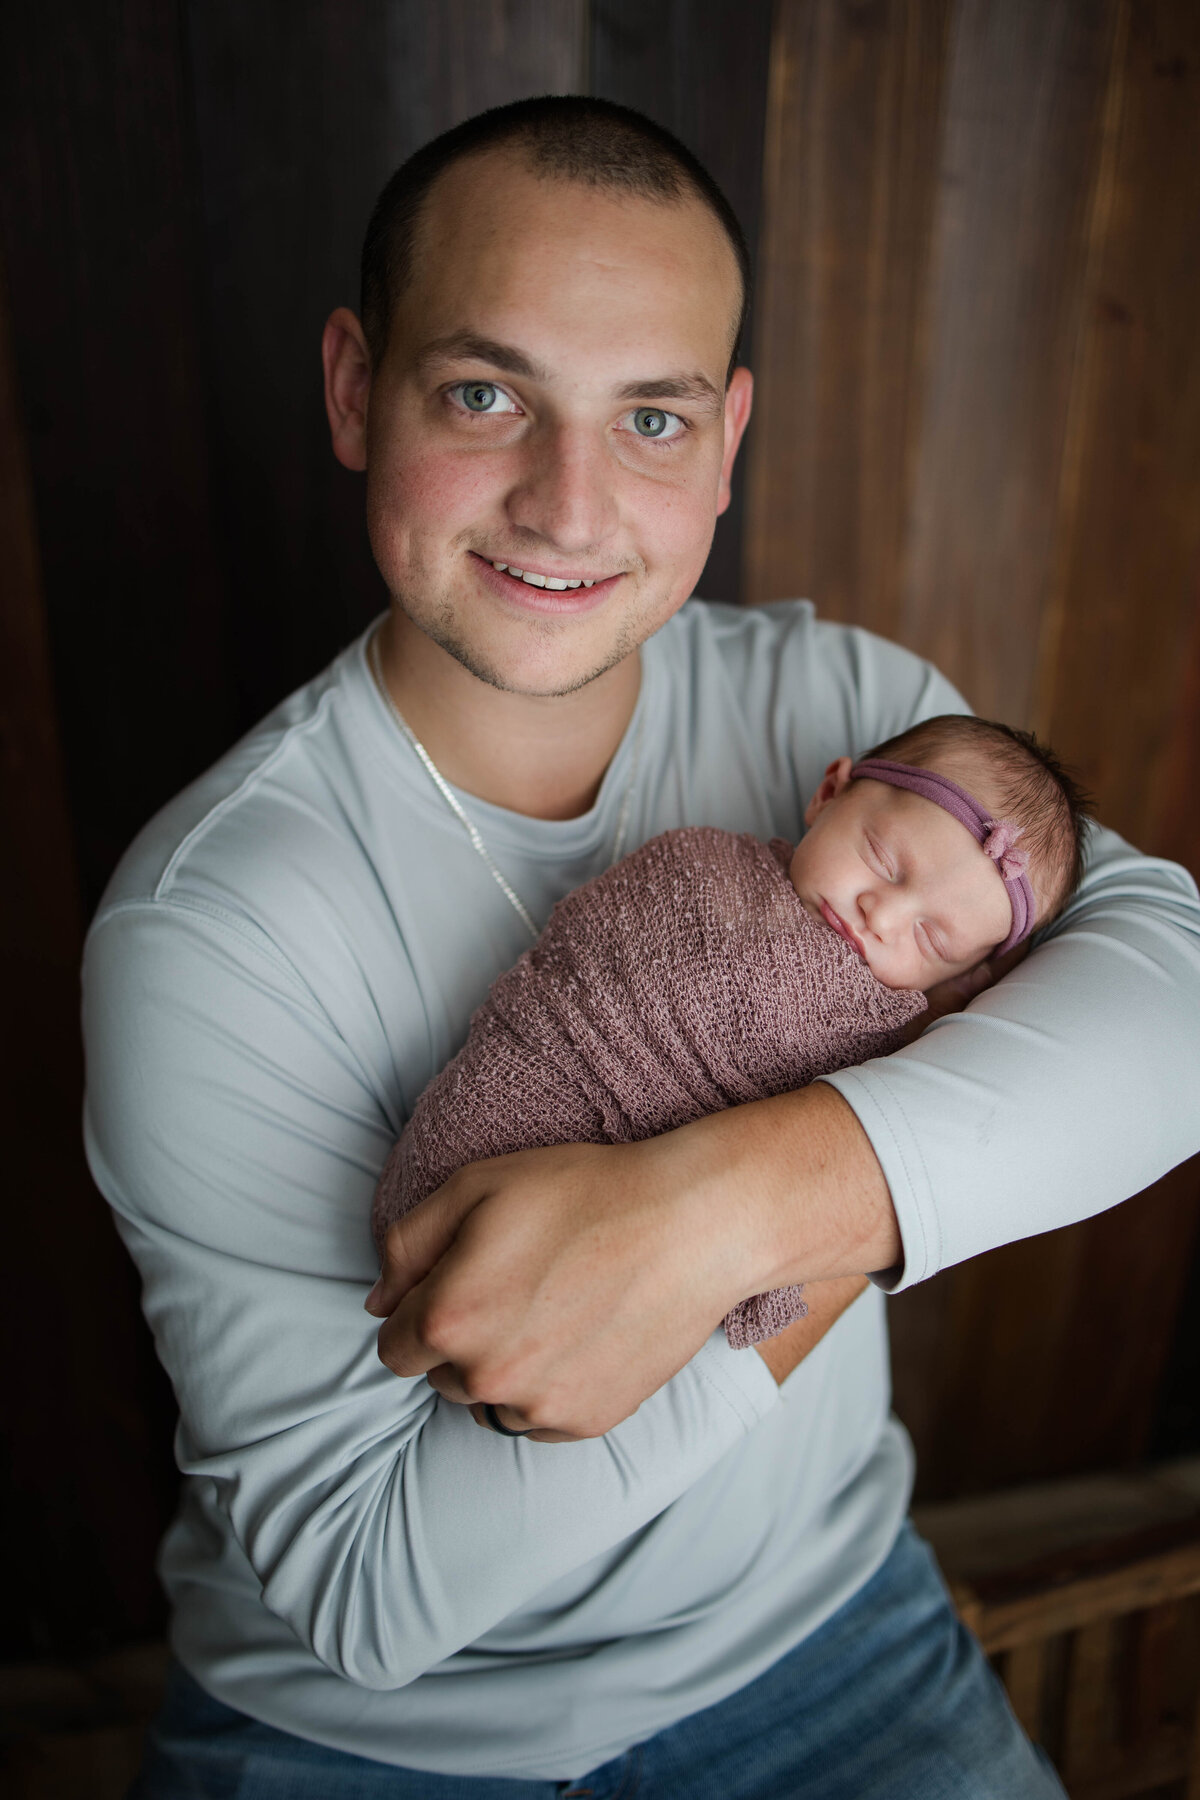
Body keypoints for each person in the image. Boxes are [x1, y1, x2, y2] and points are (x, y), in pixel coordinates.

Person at [82, 97, 1200, 1797]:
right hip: (381, 1748)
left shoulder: (850, 713)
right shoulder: (210, 927)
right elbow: (374, 1598)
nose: (570, 502)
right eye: (484, 395)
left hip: (832, 1633)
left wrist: (728, 1215)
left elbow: (1176, 994)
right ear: (350, 388)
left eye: (653, 416)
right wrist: (834, 1231)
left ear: (730, 436)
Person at [374, 712, 1088, 1371]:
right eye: (882, 859)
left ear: (961, 980)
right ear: (831, 792)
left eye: (932, 937)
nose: (884, 914)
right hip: (539, 1080)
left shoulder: (890, 1037)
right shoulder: (696, 867)